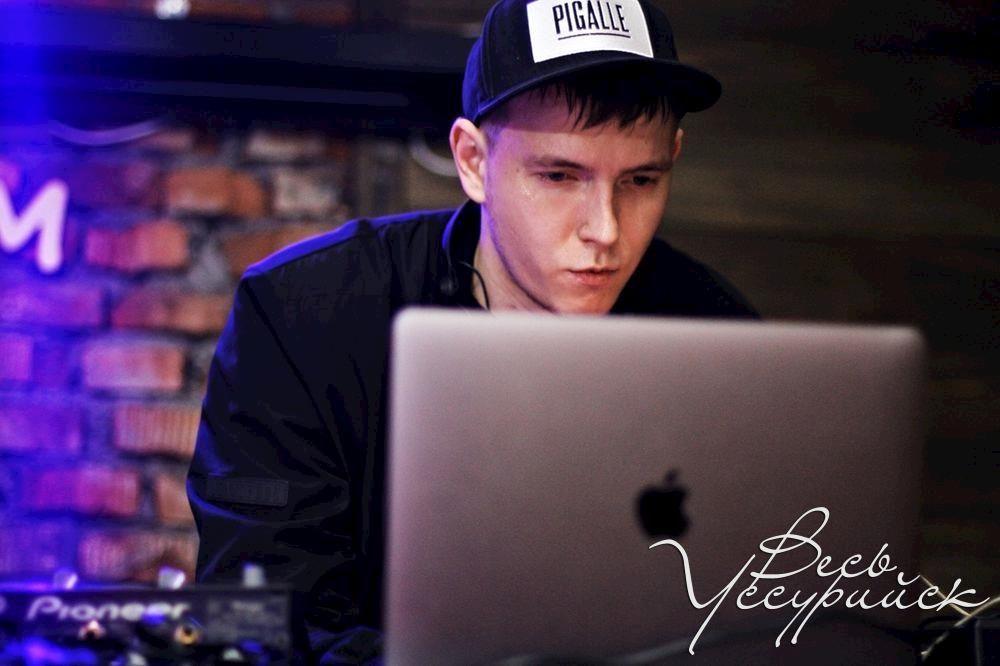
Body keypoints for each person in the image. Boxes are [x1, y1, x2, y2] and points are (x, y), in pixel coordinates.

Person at [187, 0, 758, 662]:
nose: (605, 229)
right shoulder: (307, 316)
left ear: (674, 158)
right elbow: (262, 622)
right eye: (559, 176)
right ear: (473, 161)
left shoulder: (718, 335)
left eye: (641, 180)